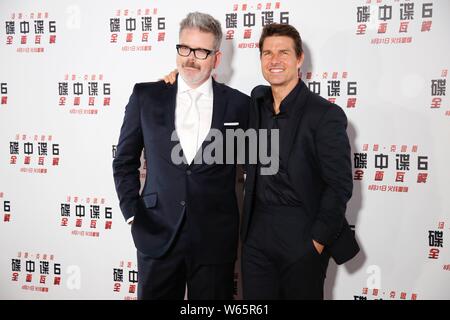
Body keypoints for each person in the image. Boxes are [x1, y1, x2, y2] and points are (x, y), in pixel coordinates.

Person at [112, 12, 249, 300]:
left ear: (216, 58)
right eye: (185, 48)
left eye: (201, 51)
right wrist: (132, 215)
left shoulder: (239, 105)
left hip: (214, 240)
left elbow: (260, 166)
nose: (190, 58)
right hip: (156, 233)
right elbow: (124, 161)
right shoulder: (146, 96)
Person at [240, 23, 360, 299]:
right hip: (256, 235)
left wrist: (316, 241)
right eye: (267, 53)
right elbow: (214, 100)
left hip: (302, 232)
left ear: (299, 58)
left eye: (283, 52)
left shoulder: (325, 114)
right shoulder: (255, 105)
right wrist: (176, 82)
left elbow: (339, 185)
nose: (275, 60)